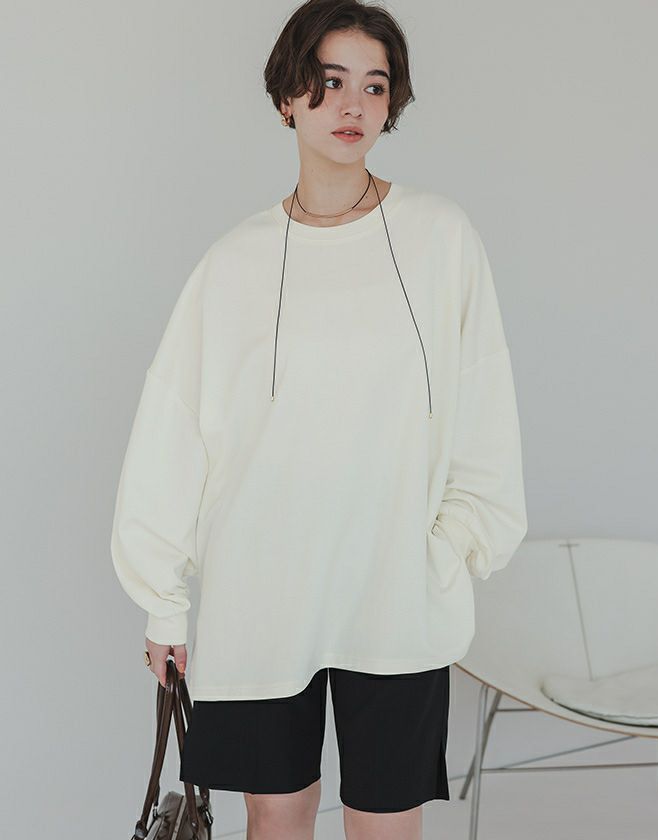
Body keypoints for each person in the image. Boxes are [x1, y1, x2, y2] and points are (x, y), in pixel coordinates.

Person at [110, 0, 528, 837]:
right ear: (286, 98)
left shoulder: (440, 238)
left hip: (397, 598)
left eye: (374, 85)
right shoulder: (234, 263)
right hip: (259, 599)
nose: (352, 105)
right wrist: (164, 601)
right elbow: (174, 428)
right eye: (329, 82)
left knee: (385, 823)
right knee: (276, 819)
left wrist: (449, 549)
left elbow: (485, 404)